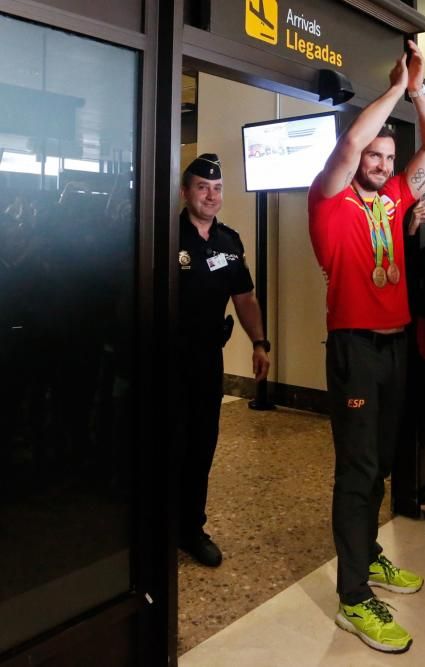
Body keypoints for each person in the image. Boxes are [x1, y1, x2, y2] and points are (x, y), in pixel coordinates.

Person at [307, 40, 425, 654]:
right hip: (355, 348)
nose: (383, 162)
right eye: (376, 153)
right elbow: (345, 146)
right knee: (358, 468)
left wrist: (419, 92)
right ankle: (352, 597)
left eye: (390, 156)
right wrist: (394, 86)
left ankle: (367, 558)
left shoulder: (396, 200)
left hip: (397, 347)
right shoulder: (329, 198)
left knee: (386, 462)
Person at [177, 153, 270, 567]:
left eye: (217, 189)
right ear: (185, 192)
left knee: (202, 444)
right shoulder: (163, 232)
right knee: (166, 442)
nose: (211, 196)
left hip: (205, 360)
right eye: (202, 187)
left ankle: (190, 528)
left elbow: (245, 298)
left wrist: (260, 342)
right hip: (165, 358)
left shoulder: (229, 242)